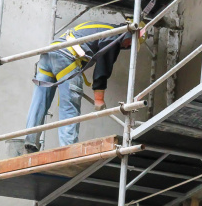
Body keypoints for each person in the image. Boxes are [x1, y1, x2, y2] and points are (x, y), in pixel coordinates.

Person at [24, 21, 136, 153]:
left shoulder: (99, 27)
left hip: (50, 53)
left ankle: (30, 142)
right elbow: (103, 66)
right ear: (129, 34)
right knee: (69, 106)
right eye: (131, 43)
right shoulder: (115, 35)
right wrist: (99, 98)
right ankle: (68, 149)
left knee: (39, 102)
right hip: (66, 58)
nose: (128, 46)